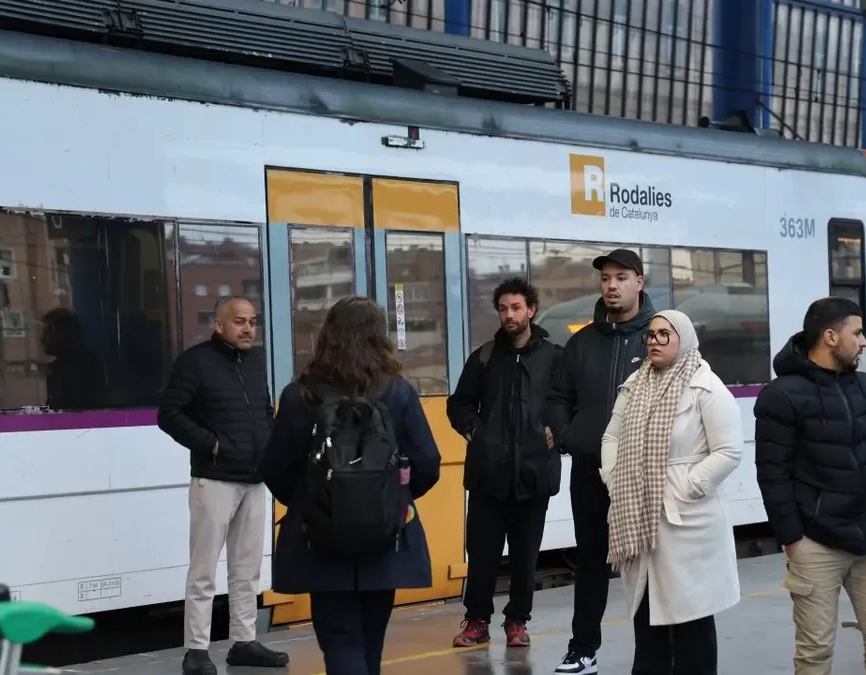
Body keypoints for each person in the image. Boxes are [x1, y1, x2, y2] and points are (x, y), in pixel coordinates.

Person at [258, 296, 441, 675]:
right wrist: (389, 501)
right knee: (371, 643)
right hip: (384, 540)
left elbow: (275, 467)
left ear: (328, 335)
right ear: (379, 336)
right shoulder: (399, 392)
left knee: (341, 642)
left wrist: (314, 502)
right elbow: (427, 463)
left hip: (321, 541)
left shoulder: (300, 394)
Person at [753, 297, 866, 675]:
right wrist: (793, 538)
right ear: (829, 337)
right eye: (857, 333)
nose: (864, 341)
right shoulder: (781, 396)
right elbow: (772, 473)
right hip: (817, 544)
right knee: (815, 653)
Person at [599, 309, 742, 675]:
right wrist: (616, 479)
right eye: (651, 334)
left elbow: (729, 451)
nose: (654, 341)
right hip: (638, 517)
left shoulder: (705, 385)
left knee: (692, 621)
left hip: (688, 525)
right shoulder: (636, 382)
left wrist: (689, 486)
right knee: (647, 620)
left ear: (685, 339)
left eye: (665, 334)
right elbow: (612, 436)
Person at [157, 296, 287, 675]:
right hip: (213, 480)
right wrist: (212, 444)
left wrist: (270, 447)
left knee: (247, 569)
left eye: (252, 321)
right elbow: (169, 414)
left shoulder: (256, 361)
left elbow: (264, 410)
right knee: (203, 571)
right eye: (239, 322)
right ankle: (196, 650)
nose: (248, 328)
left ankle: (243, 641)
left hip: (254, 478)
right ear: (218, 325)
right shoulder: (195, 362)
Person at [543, 248, 657, 675]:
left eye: (621, 277)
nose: (611, 285)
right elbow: (557, 396)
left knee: (645, 564)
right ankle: (582, 650)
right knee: (590, 561)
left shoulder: (657, 339)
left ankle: (650, 655)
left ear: (639, 282)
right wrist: (570, 435)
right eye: (606, 278)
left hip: (641, 474)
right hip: (590, 471)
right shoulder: (582, 342)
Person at [446, 278, 561, 649]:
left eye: (515, 308)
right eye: (502, 309)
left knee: (526, 556)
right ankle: (477, 620)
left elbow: (567, 403)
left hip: (534, 473)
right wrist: (474, 431)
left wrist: (556, 429)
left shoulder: (555, 357)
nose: (508, 315)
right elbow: (459, 403)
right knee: (483, 554)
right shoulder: (483, 357)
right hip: (488, 474)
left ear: (531, 311)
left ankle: (517, 622)